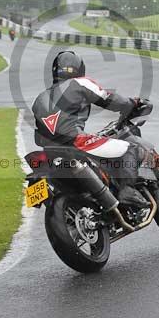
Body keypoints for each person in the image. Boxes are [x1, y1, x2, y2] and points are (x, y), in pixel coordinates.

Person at [31, 51, 149, 207]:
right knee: (130, 149)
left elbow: (38, 134)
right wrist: (132, 104)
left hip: (49, 151)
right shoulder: (79, 83)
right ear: (79, 69)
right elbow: (108, 99)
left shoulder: (39, 99)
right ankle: (127, 190)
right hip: (76, 142)